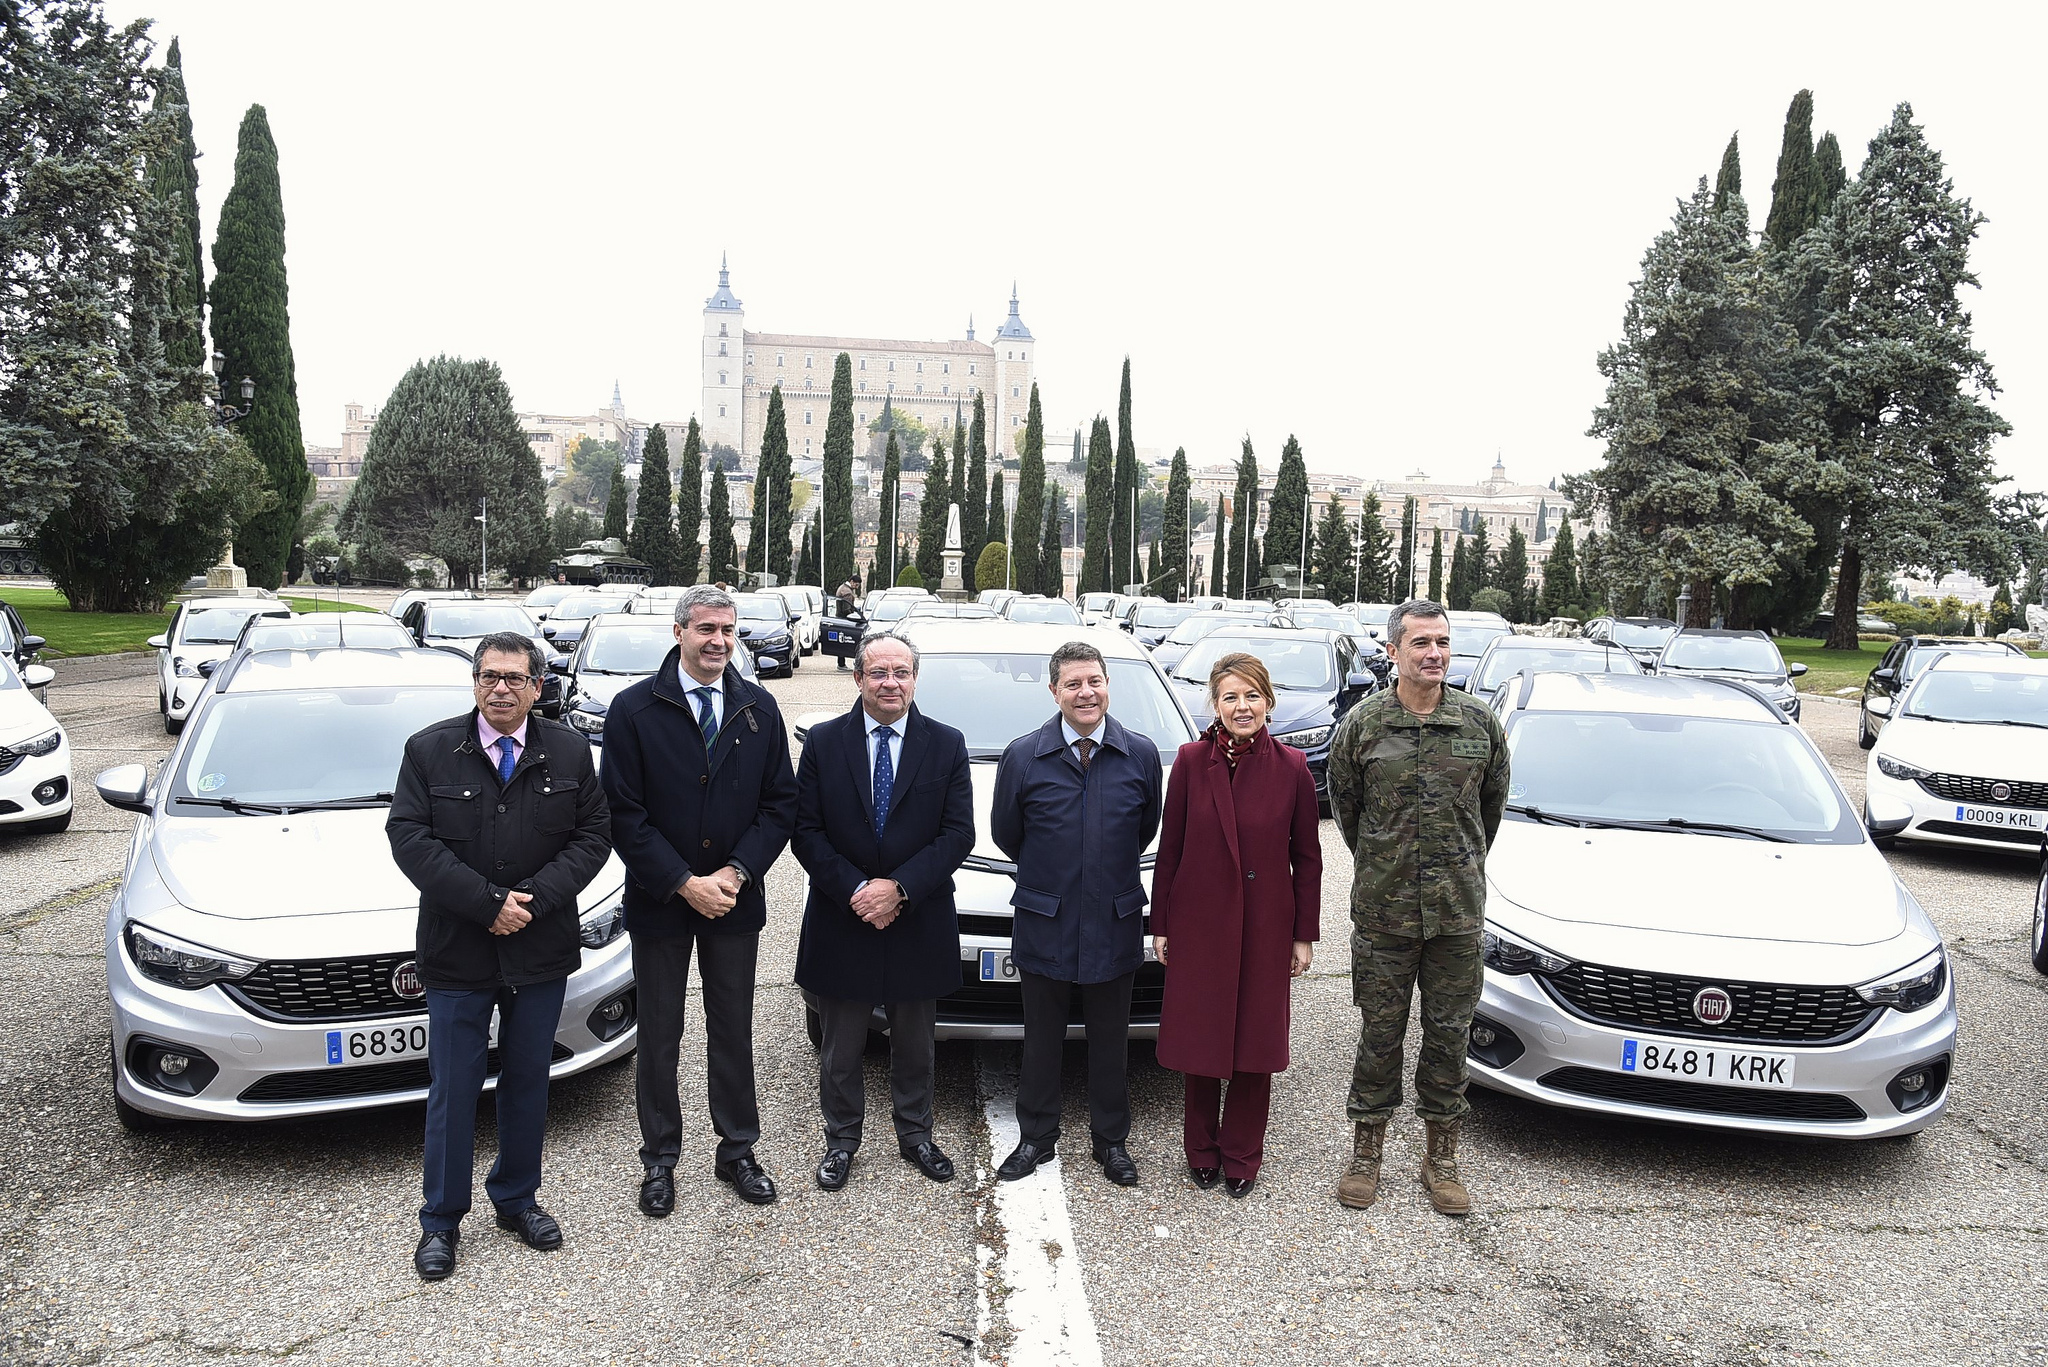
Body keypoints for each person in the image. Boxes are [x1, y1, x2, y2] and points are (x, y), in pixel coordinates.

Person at [387, 631, 613, 1281]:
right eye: (489, 676)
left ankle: (517, 1199)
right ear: (475, 683)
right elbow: (410, 838)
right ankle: (441, 1220)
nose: (501, 689)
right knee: (453, 1088)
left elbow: (593, 836)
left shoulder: (569, 750)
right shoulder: (429, 750)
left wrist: (531, 901)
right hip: (457, 951)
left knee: (528, 1081)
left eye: (515, 678)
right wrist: (487, 903)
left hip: (538, 949)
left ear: (537, 688)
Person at [600, 585, 798, 1212]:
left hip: (734, 902)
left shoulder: (759, 707)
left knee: (732, 1028)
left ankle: (737, 1149)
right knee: (659, 1034)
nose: (719, 641)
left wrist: (735, 874)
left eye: (728, 630)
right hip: (661, 900)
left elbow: (780, 804)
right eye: (707, 628)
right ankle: (659, 1159)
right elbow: (622, 812)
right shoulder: (634, 709)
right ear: (679, 632)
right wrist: (685, 882)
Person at [1326, 598, 1509, 1216]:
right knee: (1380, 1034)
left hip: (1457, 915)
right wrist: (1388, 864)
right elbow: (1348, 813)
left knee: (1449, 1035)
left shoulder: (1479, 724)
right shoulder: (1363, 726)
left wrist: (1454, 866)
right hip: (1385, 914)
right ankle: (1367, 1152)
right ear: (1393, 651)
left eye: (1442, 643)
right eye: (1421, 643)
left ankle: (1441, 1156)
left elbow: (1488, 813)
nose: (1435, 654)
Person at [791, 633, 974, 1189]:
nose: (890, 683)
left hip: (917, 916)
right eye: (878, 673)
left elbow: (957, 833)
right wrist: (858, 890)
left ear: (915, 679)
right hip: (843, 916)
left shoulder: (946, 743)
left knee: (915, 1044)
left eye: (901, 672)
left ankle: (916, 1135)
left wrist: (898, 889)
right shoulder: (824, 743)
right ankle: (841, 1141)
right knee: (840, 1048)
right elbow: (806, 831)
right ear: (857, 679)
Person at [990, 641, 1162, 1186]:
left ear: (1108, 685)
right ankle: (1035, 1139)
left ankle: (1111, 1142)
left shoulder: (1139, 755)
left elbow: (1143, 830)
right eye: (1073, 684)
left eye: (1095, 681)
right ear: (1054, 691)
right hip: (1047, 919)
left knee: (1110, 1040)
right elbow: (1007, 833)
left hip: (1113, 919)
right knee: (1041, 1038)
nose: (1086, 693)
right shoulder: (1024, 755)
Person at [1151, 652, 1321, 1199]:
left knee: (1255, 1043)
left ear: (1269, 702)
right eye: (1230, 697)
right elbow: (1170, 849)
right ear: (1215, 704)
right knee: (1199, 1038)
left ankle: (1243, 1154)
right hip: (1199, 923)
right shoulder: (1189, 761)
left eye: (1252, 696)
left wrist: (1303, 934)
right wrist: (1161, 923)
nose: (1241, 707)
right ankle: (1200, 1150)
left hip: (1265, 926)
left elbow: (1308, 858)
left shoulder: (1292, 767)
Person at [832, 580, 863, 671]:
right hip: (845, 620)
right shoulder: (847, 593)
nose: (857, 587)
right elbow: (846, 609)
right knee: (847, 642)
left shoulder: (842, 587)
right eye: (856, 584)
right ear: (852, 581)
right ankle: (842, 664)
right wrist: (853, 616)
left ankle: (841, 663)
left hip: (839, 618)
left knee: (841, 642)